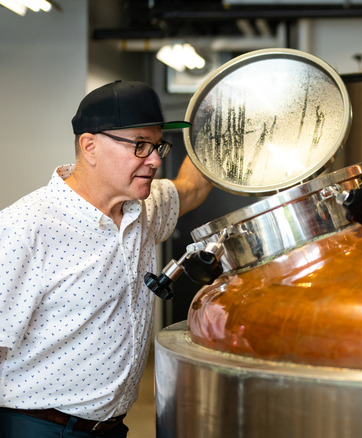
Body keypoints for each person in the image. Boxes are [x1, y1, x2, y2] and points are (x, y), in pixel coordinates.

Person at [0, 80, 213, 437]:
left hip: (110, 427)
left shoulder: (143, 209)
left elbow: (192, 187)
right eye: (140, 145)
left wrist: (221, 119)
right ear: (90, 146)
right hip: (37, 426)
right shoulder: (26, 227)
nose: (155, 160)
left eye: (158, 145)